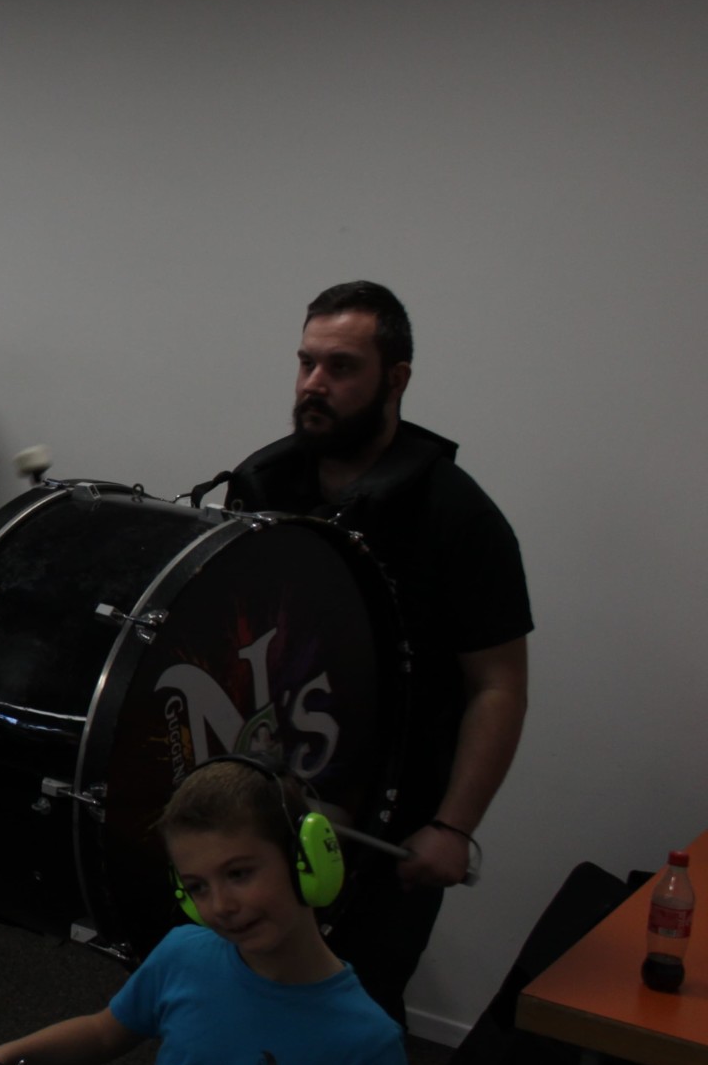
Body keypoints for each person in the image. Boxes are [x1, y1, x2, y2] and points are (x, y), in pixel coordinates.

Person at [225, 281, 531, 1026]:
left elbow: (497, 684)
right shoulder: (261, 483)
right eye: (306, 362)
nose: (313, 384)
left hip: (391, 822)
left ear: (396, 379)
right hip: (268, 800)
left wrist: (453, 827)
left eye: (341, 367)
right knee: (242, 1000)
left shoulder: (458, 513)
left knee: (353, 1019)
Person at [0, 758, 421, 1065]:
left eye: (239, 874)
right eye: (197, 887)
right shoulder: (183, 954)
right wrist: (2, 1059)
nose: (221, 906)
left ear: (306, 860)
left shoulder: (367, 1040)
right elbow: (103, 1032)